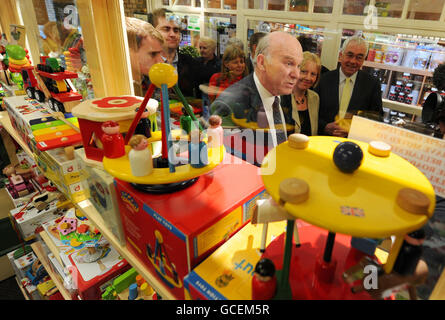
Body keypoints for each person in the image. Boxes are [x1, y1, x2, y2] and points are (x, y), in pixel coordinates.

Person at [210, 31, 302, 165]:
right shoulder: (229, 106)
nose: (296, 74)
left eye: (298, 66)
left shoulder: (283, 93)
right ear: (262, 62)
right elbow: (228, 167)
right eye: (289, 63)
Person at [316, 35, 383, 137]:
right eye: (350, 55)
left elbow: (376, 118)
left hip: (354, 142)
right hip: (323, 139)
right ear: (341, 55)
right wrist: (324, 126)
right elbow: (311, 112)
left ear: (364, 60)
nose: (353, 61)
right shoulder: (324, 79)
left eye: (359, 57)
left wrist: (353, 131)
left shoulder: (372, 84)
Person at [151, 8, 197, 97]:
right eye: (166, 29)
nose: (172, 34)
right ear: (153, 32)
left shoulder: (191, 63)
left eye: (176, 30)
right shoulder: (146, 63)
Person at [281, 51, 321, 136]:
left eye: (313, 74)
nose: (308, 78)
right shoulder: (281, 97)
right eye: (303, 72)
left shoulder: (315, 98)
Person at [125, 17, 164, 96]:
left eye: (160, 53)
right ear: (128, 52)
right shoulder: (117, 89)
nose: (161, 61)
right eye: (153, 54)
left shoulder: (149, 81)